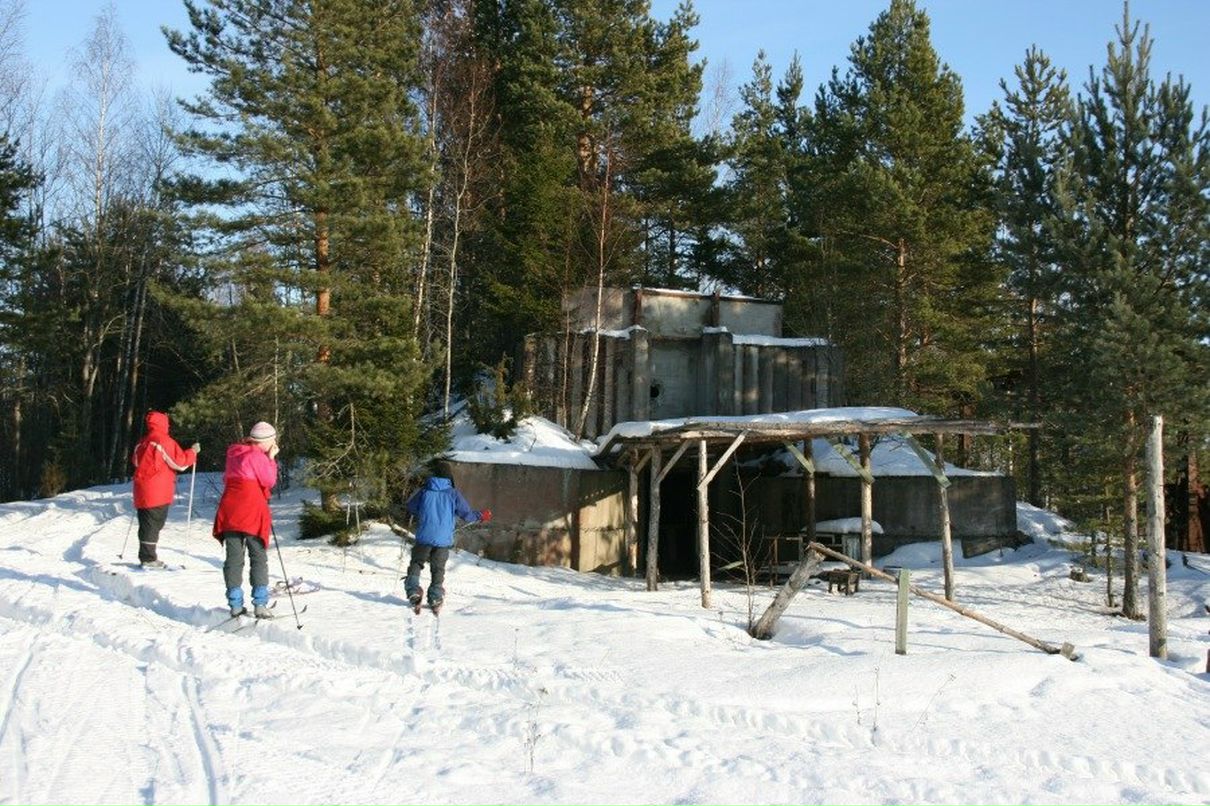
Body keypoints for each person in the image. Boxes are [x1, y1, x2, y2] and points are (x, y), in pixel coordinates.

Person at [212, 421, 279, 618]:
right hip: (250, 509)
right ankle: (260, 603)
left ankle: (235, 604)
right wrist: (271, 459)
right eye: (273, 441)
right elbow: (269, 481)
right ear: (265, 441)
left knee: (233, 558)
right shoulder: (257, 455)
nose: (274, 444)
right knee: (257, 556)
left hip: (230, 509)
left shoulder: (235, 452)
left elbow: (228, 478)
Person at [405, 462, 490, 613]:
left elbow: (411, 507)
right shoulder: (453, 493)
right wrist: (481, 515)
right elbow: (467, 515)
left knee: (417, 562)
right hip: (443, 539)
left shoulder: (424, 491)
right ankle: (435, 597)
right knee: (438, 568)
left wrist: (424, 515)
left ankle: (413, 590)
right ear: (449, 476)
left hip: (424, 535)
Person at [131, 411, 199, 569]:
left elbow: (135, 461)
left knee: (146, 523)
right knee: (153, 524)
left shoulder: (142, 442)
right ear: (163, 424)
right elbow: (179, 463)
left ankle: (146, 555)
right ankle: (148, 558)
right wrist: (192, 453)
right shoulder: (164, 441)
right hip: (157, 490)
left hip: (141, 488)